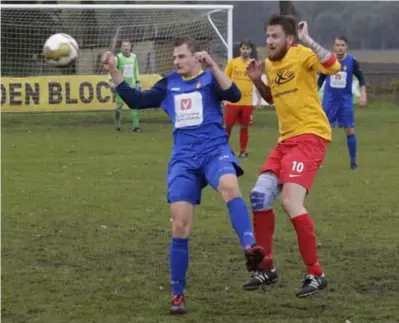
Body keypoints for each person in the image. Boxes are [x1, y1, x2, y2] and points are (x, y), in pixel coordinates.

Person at [101, 37, 265, 314]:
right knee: (179, 226)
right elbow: (136, 99)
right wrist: (113, 71)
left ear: (195, 57)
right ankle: (178, 293)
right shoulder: (169, 85)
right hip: (184, 160)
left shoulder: (211, 80)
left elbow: (235, 94)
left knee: (229, 186)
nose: (176, 61)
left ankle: (250, 248)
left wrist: (213, 65)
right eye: (174, 57)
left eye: (181, 56)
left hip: (214, 151)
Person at [242, 14, 341, 298]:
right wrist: (257, 80)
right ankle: (267, 267)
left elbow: (332, 67)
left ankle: (316, 273)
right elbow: (273, 97)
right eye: (267, 36)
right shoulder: (271, 65)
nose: (269, 42)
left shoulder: (303, 55)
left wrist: (308, 39)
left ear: (289, 39)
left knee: (289, 201)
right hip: (285, 141)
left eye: (275, 37)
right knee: (259, 196)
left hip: (310, 137)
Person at [318, 36, 367, 170]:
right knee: (323, 131)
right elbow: (319, 81)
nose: (340, 48)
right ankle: (318, 161)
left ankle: (353, 162)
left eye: (342, 45)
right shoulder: (328, 62)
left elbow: (361, 80)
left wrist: (363, 95)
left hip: (345, 102)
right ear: (333, 46)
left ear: (346, 47)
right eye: (337, 45)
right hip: (329, 102)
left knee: (350, 130)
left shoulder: (352, 62)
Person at [224, 40, 262, 158]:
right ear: (240, 50)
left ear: (250, 50)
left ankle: (243, 151)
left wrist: (259, 99)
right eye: (243, 48)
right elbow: (225, 79)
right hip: (233, 101)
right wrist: (224, 97)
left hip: (247, 102)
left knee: (244, 127)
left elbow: (257, 83)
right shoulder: (233, 63)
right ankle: (223, 149)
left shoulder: (253, 65)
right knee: (228, 126)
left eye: (247, 49)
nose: (245, 51)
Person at [113, 40, 143, 132]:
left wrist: (138, 82)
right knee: (119, 107)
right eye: (124, 46)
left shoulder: (134, 57)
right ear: (121, 47)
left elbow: (136, 70)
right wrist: (113, 82)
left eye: (128, 46)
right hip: (121, 85)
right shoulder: (118, 58)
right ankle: (117, 125)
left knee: (134, 106)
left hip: (132, 86)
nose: (126, 47)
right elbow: (112, 70)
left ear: (130, 47)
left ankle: (136, 127)